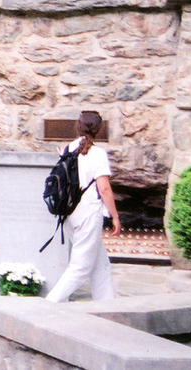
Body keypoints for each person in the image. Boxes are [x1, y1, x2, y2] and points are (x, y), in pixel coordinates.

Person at [45, 111, 121, 302]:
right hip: (89, 215)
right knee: (80, 269)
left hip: (70, 214)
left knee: (100, 265)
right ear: (99, 129)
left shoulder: (70, 148)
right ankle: (48, 305)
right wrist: (115, 216)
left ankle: (107, 307)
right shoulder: (98, 154)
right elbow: (104, 188)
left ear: (78, 126)